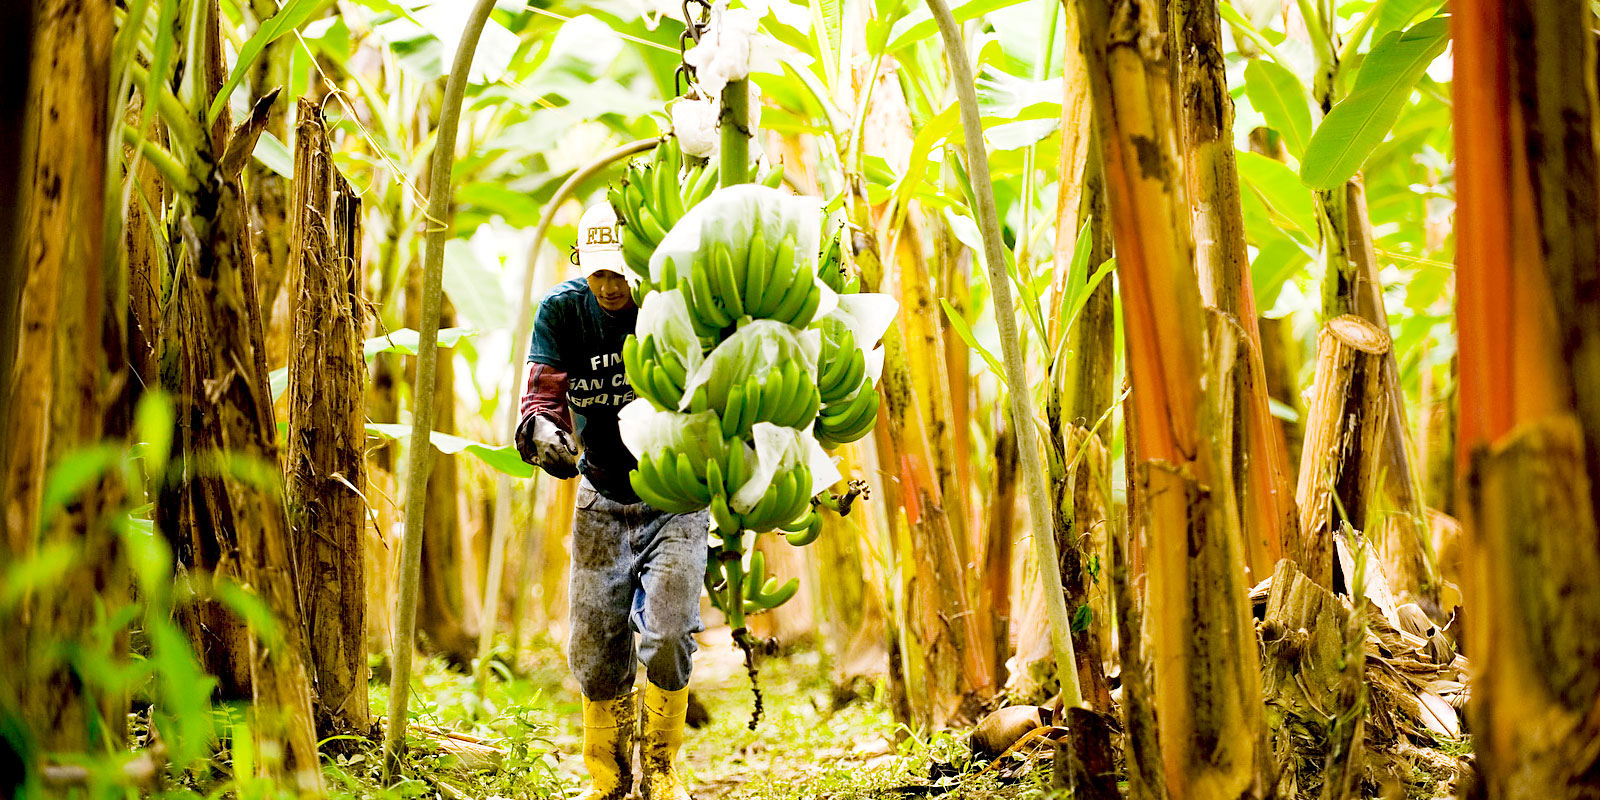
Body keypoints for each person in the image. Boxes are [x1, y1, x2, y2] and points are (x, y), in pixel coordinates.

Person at [516, 203, 707, 800]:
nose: (610, 285)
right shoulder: (562, 311)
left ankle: (662, 770)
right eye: (598, 273)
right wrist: (541, 431)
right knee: (595, 654)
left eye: (620, 272)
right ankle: (606, 778)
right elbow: (540, 394)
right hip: (599, 496)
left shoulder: (668, 303)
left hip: (673, 497)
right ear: (582, 266)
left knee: (670, 635)